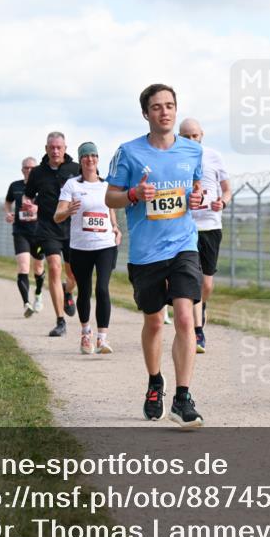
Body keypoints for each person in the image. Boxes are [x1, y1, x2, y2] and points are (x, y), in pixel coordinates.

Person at [105, 83, 205, 428]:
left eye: (170, 106)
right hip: (146, 251)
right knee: (153, 322)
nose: (165, 112)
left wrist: (197, 199)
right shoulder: (129, 152)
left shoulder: (192, 151)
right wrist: (133, 193)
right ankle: (154, 383)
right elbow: (110, 198)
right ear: (146, 113)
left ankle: (183, 397)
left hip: (183, 245)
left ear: (176, 110)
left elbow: (195, 190)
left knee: (184, 318)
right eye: (158, 107)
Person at [56, 142, 121, 354]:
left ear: (98, 159)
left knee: (102, 288)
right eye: (85, 156)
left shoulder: (106, 185)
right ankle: (86, 334)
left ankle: (102, 338)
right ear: (80, 160)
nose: (89, 159)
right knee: (84, 290)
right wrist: (68, 211)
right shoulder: (72, 185)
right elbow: (57, 216)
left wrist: (116, 228)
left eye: (93, 155)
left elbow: (111, 212)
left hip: (105, 245)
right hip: (80, 246)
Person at [180, 118, 231, 353]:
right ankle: (197, 332)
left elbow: (227, 189)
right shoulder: (176, 157)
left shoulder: (214, 157)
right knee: (193, 280)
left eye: (195, 136)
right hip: (185, 227)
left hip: (210, 226)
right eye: (186, 136)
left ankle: (202, 305)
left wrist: (223, 201)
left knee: (206, 284)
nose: (191, 140)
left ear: (202, 135)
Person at [22, 132, 80, 336]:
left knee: (74, 275)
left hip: (73, 228)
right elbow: (28, 196)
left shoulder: (76, 169)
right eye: (51, 147)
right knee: (54, 268)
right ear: (46, 149)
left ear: (65, 148)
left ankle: (68, 291)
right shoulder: (38, 173)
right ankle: (60, 321)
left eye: (59, 147)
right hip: (49, 228)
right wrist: (29, 204)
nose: (55, 151)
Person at [4, 157, 46, 317]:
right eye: (26, 168)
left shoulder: (43, 186)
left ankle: (38, 294)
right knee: (23, 266)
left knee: (39, 267)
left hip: (39, 232)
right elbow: (8, 202)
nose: (29, 170)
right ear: (22, 170)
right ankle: (26, 304)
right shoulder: (15, 186)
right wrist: (8, 213)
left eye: (32, 168)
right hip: (20, 231)